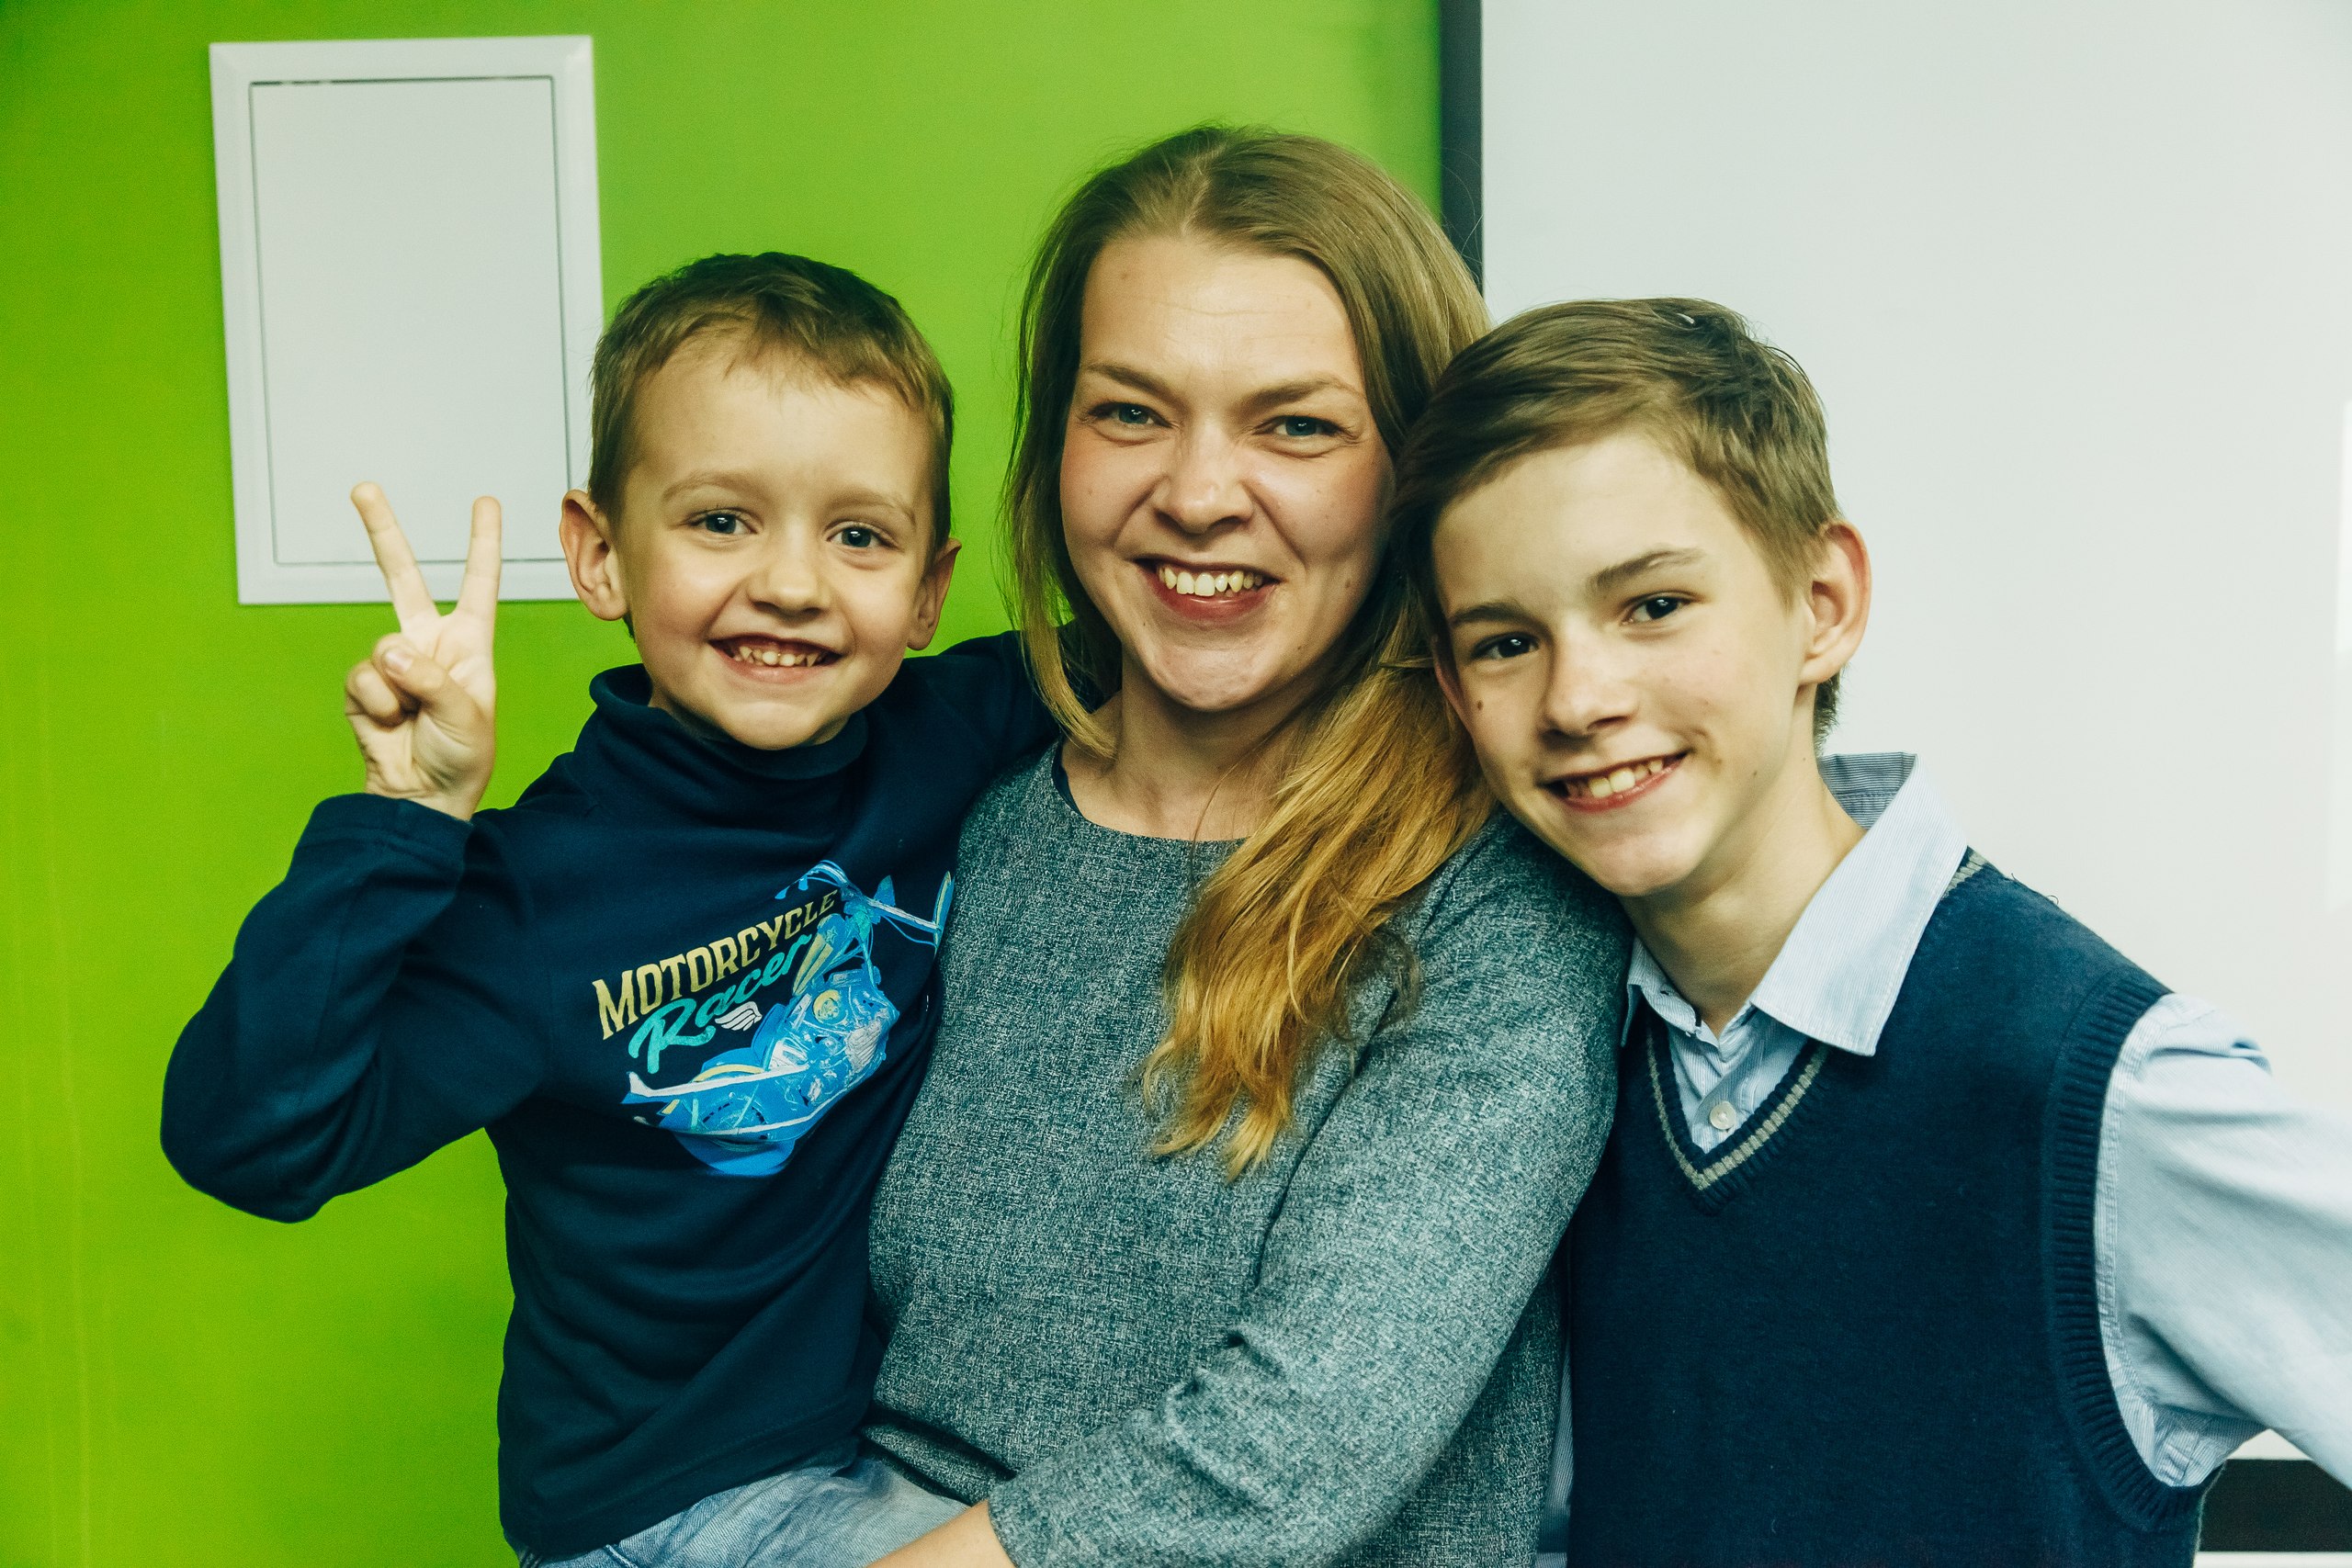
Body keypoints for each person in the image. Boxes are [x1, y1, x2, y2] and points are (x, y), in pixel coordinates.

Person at [1396, 297, 2352, 1567]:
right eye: (1508, 642)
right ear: (1455, 690)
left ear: (1823, 601)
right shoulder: (1554, 1071)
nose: (1578, 697)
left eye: (1655, 605)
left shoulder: (2099, 1095)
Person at [160, 253, 1057, 1566]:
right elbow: (247, 1144)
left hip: (862, 1448)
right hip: (655, 1508)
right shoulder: (538, 895)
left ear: (927, 591)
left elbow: (1186, 641)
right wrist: (405, 819)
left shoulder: (950, 732)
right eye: (721, 521)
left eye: (859, 535)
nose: (793, 583)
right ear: (598, 557)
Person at [858, 128, 1626, 1568]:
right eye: (1130, 412)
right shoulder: (961, 809)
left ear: (1417, 474)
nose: (1201, 493)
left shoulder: (1496, 888)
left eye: (1297, 428)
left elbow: (1297, 1450)